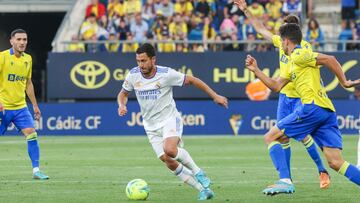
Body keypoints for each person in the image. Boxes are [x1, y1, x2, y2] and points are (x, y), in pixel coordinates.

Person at [245, 23, 360, 194]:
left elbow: (330, 60)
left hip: (312, 107)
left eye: (281, 42)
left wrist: (344, 82)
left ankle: (285, 180)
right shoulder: (292, 63)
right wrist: (257, 70)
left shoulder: (299, 54)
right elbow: (276, 86)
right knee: (336, 162)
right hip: (327, 111)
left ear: (285, 41)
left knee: (271, 137)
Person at [234, 0, 330, 189]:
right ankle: (286, 179)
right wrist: (245, 10)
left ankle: (322, 170)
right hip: (284, 97)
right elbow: (260, 29)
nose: (281, 35)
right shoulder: (280, 43)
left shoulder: (305, 47)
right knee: (281, 137)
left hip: (300, 97)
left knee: (303, 136)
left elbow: (314, 67)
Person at [117, 43, 228, 200]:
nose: (141, 65)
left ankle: (198, 171)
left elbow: (193, 80)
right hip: (150, 126)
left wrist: (215, 96)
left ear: (153, 59)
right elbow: (123, 94)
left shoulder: (166, 74)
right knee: (167, 160)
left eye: (143, 61)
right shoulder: (133, 75)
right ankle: (202, 189)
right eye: (138, 61)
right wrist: (122, 105)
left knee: (170, 149)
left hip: (169, 119)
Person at [0, 29, 49, 180]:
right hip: (3, 107)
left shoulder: (28, 59)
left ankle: (36, 170)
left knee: (32, 133)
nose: (22, 42)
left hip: (21, 107)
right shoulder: (2, 57)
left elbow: (28, 83)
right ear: (12, 41)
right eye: (19, 39)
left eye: (25, 39)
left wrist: (34, 105)